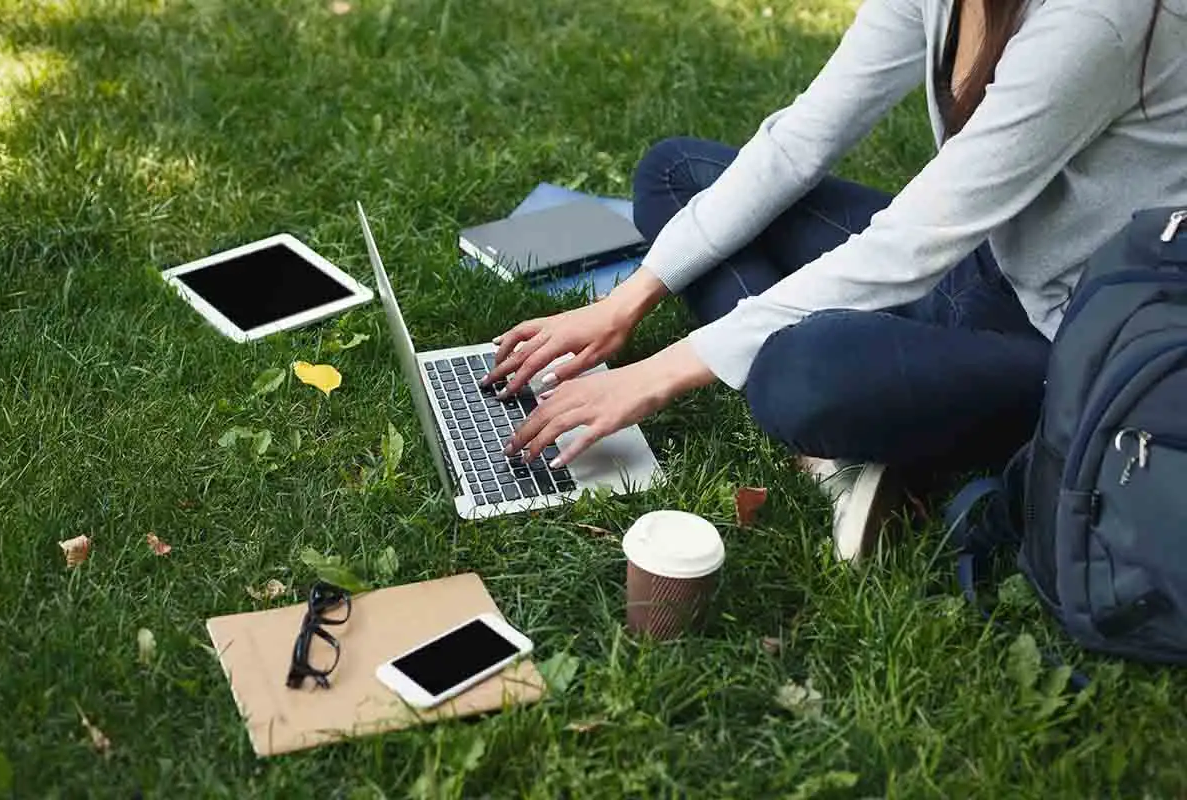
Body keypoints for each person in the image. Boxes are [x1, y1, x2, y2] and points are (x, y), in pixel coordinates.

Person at [482, 0, 1187, 561]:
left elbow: (908, 244)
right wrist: (626, 301)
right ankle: (854, 440)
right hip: (978, 261)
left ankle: (858, 435)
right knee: (678, 175)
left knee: (794, 374)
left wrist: (659, 372)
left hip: (1071, 347)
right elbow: (803, 139)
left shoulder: (1098, 17)